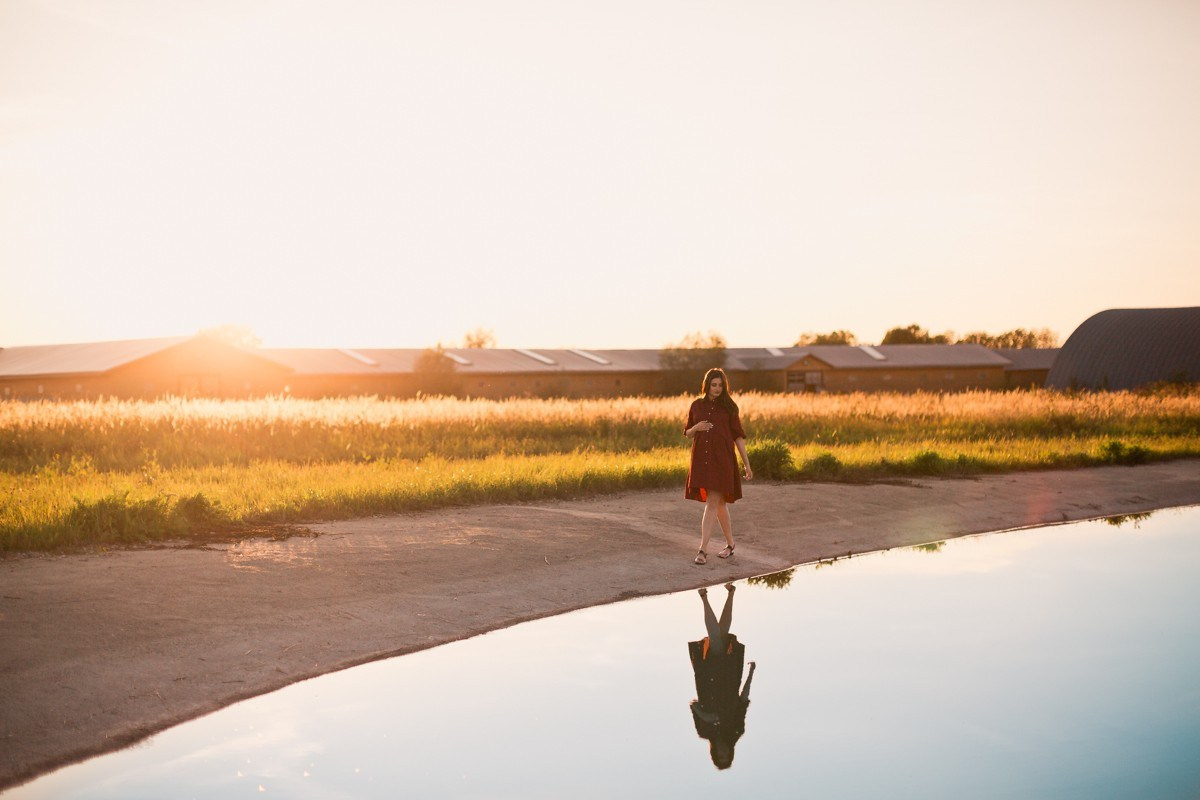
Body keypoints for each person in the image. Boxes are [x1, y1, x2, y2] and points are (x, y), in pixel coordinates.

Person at [684, 368, 753, 565]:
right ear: (707, 385)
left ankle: (702, 550)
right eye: (714, 385)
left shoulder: (730, 407)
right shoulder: (696, 405)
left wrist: (746, 465)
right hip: (701, 460)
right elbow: (688, 433)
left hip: (722, 460)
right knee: (719, 504)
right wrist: (697, 428)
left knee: (713, 502)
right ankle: (731, 545)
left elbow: (738, 437)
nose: (717, 388)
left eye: (720, 385)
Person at [688, 583, 756, 770]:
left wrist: (707, 716)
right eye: (726, 754)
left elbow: (693, 706)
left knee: (719, 637)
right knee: (719, 638)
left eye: (720, 755)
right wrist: (751, 674)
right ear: (730, 752)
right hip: (728, 676)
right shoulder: (736, 729)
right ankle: (706, 597)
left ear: (714, 753)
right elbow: (743, 700)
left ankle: (727, 594)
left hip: (707, 678)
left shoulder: (703, 731)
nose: (723, 751)